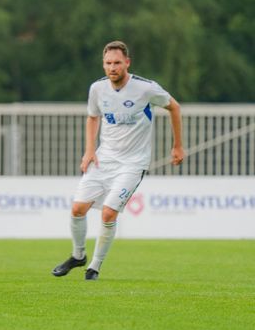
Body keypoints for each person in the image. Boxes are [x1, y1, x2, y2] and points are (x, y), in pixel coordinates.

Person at [52, 41, 184, 280]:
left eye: (117, 63)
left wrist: (177, 146)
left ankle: (94, 266)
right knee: (77, 208)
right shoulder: (97, 89)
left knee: (108, 213)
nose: (112, 67)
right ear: (103, 65)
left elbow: (174, 107)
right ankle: (78, 256)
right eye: (108, 63)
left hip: (133, 164)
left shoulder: (145, 89)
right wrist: (89, 151)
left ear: (127, 63)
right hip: (104, 159)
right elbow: (93, 118)